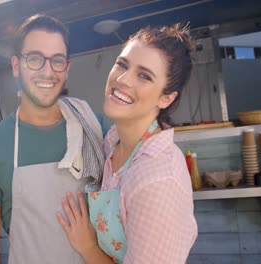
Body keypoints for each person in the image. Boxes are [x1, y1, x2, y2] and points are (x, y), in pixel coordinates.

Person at [0, 14, 111, 264]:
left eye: (57, 61)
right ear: (15, 66)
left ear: (67, 69)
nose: (47, 71)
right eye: (34, 59)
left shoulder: (97, 129)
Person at [57, 24, 198, 263]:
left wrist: (89, 247)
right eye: (122, 65)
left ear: (166, 97)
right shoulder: (111, 143)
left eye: (144, 76)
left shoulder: (158, 179)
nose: (122, 80)